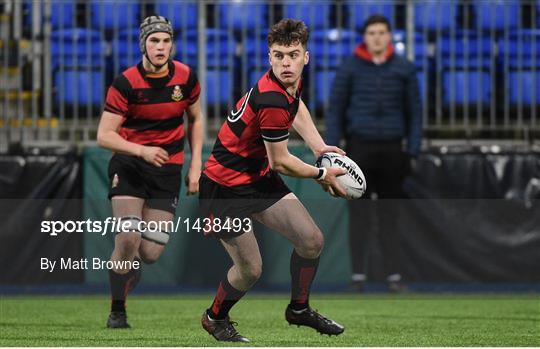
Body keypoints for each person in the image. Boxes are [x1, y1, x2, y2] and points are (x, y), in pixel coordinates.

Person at [199, 19, 347, 342]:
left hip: (255, 177)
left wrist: (319, 146)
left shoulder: (288, 86)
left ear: (306, 57)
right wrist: (322, 173)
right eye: (278, 56)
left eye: (293, 55)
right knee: (250, 270)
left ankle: (299, 308)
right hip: (224, 188)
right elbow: (279, 161)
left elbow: (298, 108)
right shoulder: (272, 99)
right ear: (269, 58)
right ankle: (214, 317)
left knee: (312, 240)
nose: (286, 63)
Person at [96, 15, 203, 328]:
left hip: (167, 170)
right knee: (127, 238)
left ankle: (126, 270)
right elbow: (104, 135)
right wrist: (141, 150)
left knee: (152, 252)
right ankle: (118, 310)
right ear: (143, 44)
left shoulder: (185, 77)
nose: (160, 46)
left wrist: (196, 164)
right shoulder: (126, 82)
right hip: (130, 164)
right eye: (154, 40)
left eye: (166, 40)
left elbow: (196, 119)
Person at [325, 14, 422, 292]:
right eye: (372, 33)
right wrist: (332, 151)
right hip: (359, 150)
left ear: (390, 36)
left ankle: (393, 276)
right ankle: (358, 277)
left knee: (392, 215)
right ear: (365, 37)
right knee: (359, 215)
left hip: (393, 150)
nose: (377, 37)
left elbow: (415, 112)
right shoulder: (349, 67)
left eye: (381, 32)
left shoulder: (404, 68)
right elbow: (336, 111)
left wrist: (412, 151)